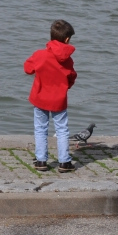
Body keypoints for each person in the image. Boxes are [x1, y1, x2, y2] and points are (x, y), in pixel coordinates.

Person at [23, 20, 77, 172]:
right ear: (67, 39)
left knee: (40, 129)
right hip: (59, 100)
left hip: (40, 98)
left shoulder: (40, 55)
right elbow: (72, 77)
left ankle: (41, 161)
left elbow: (27, 69)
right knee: (62, 130)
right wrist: (64, 88)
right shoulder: (68, 60)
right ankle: (64, 162)